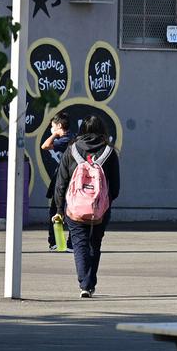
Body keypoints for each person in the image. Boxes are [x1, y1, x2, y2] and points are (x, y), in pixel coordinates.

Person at [53, 115, 120, 297]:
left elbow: (61, 183)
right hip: (101, 208)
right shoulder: (109, 152)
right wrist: (105, 202)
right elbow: (115, 186)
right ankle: (90, 283)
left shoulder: (71, 150)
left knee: (79, 244)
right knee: (94, 244)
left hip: (75, 208)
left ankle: (84, 284)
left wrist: (59, 209)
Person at [42, 112, 74, 251]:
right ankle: (67, 243)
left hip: (63, 181)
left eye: (53, 126)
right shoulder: (72, 137)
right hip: (68, 179)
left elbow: (45, 146)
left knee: (56, 210)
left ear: (59, 125)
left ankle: (55, 242)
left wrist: (55, 134)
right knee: (70, 210)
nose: (51, 128)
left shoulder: (65, 139)